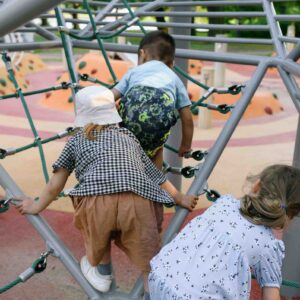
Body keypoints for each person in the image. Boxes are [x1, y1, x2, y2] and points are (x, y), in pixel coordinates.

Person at [15, 86, 199, 298]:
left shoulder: (75, 140)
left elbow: (56, 183)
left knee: (94, 225)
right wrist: (180, 198)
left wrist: (35, 205)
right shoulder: (128, 136)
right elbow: (155, 176)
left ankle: (101, 271)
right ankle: (152, 293)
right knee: (150, 264)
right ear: (114, 111)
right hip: (138, 203)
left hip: (97, 204)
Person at [148, 164, 300, 300]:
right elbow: (270, 296)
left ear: (256, 186)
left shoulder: (225, 203)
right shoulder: (269, 244)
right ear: (290, 215)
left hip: (160, 278)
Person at [111, 30, 194, 170]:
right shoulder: (174, 78)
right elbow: (187, 118)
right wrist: (186, 145)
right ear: (172, 63)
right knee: (158, 148)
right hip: (158, 125)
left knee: (118, 106)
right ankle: (155, 183)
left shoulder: (134, 72)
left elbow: (110, 96)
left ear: (142, 55)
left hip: (129, 125)